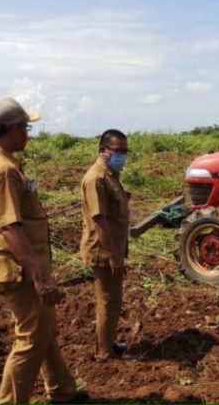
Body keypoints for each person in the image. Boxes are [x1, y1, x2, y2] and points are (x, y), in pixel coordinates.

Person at [0, 98, 87, 403]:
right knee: (31, 338)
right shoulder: (1, 170)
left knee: (43, 330)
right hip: (22, 269)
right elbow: (9, 226)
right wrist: (41, 277)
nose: (28, 133)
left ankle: (63, 391)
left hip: (12, 262)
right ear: (10, 130)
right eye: (25, 127)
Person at [80, 129, 130, 360]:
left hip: (112, 247)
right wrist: (113, 256)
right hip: (103, 251)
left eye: (124, 151)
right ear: (103, 150)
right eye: (117, 151)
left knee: (112, 299)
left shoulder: (109, 175)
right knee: (108, 301)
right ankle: (103, 352)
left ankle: (108, 343)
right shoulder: (96, 179)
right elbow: (99, 219)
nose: (122, 155)